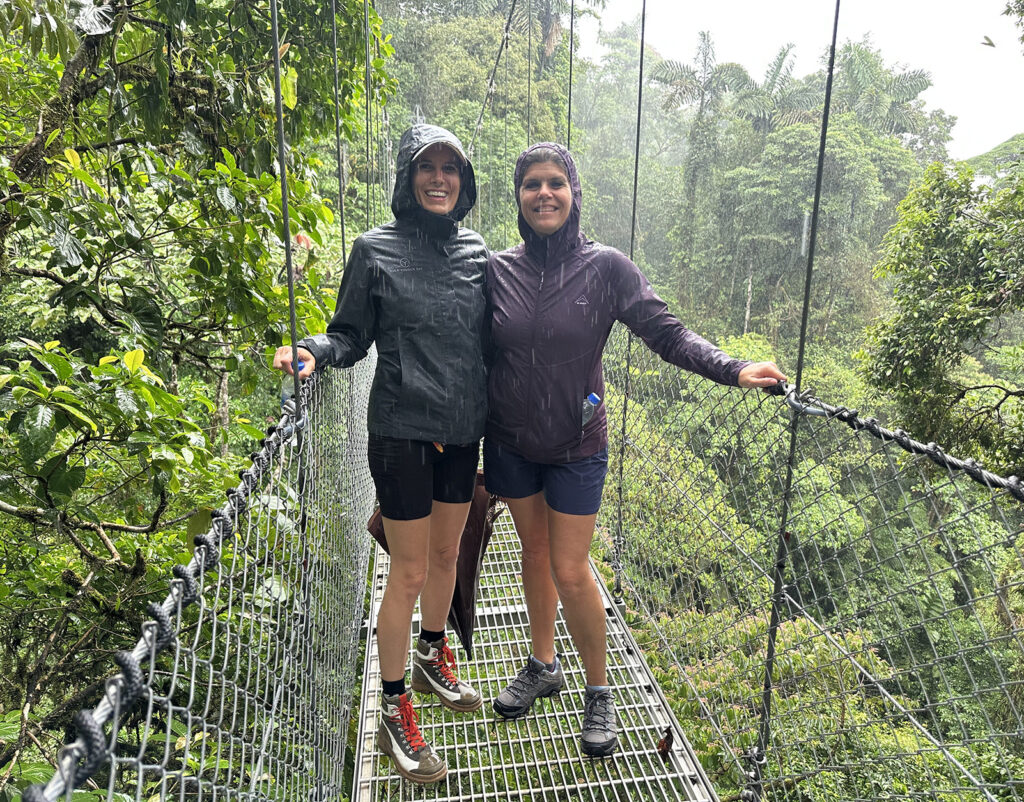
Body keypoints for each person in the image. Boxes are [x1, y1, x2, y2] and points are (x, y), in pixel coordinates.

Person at [483, 142, 787, 758]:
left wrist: (731, 369)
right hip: (512, 443)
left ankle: (599, 690)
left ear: (574, 193)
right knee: (533, 551)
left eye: (555, 184)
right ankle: (543, 665)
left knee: (571, 566)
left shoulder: (606, 268)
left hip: (576, 445)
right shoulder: (496, 269)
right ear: (517, 196)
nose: (543, 194)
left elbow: (664, 331)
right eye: (531, 184)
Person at [273, 124, 488, 784]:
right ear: (407, 178)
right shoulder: (374, 250)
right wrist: (315, 349)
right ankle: (395, 707)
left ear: (464, 181)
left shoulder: (480, 252)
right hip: (400, 430)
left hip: (464, 431)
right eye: (427, 166)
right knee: (410, 569)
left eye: (451, 167)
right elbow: (349, 334)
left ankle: (431, 653)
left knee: (450, 554)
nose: (440, 177)